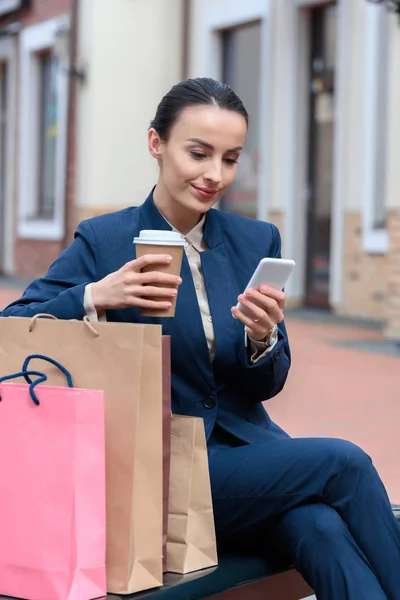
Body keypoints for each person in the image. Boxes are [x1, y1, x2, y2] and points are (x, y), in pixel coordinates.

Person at [2, 77, 399, 600]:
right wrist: (96, 294)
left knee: (319, 526)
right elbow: (16, 326)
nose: (215, 175)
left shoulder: (256, 240)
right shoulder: (105, 240)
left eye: (230, 158)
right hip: (154, 472)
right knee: (344, 462)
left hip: (249, 462)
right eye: (199, 153)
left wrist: (263, 340)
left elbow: (266, 384)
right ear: (156, 144)